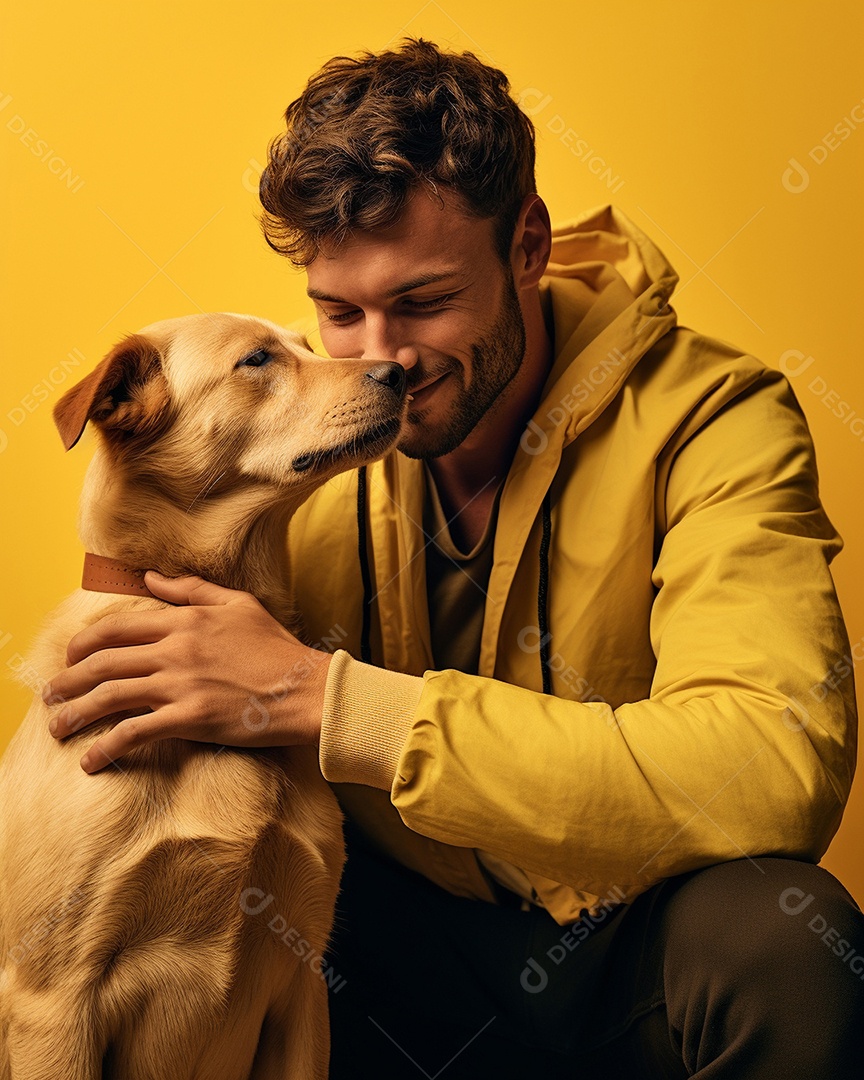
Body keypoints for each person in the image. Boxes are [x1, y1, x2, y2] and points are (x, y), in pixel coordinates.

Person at [44, 38, 862, 1077]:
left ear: (527, 245)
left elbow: (770, 768)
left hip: (625, 947)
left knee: (785, 938)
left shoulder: (718, 420)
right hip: (386, 960)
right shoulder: (294, 426)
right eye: (339, 312)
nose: (378, 356)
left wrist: (323, 698)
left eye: (424, 302)